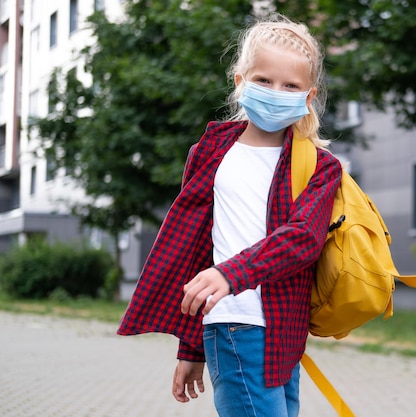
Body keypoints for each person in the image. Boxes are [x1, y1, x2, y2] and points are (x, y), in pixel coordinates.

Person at [117, 13, 342, 417]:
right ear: (240, 82)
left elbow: (303, 239)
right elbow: (198, 253)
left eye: (290, 85)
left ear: (307, 97)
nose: (276, 92)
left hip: (286, 334)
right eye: (263, 81)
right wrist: (191, 347)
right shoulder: (210, 153)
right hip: (232, 327)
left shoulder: (319, 165)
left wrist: (230, 274)